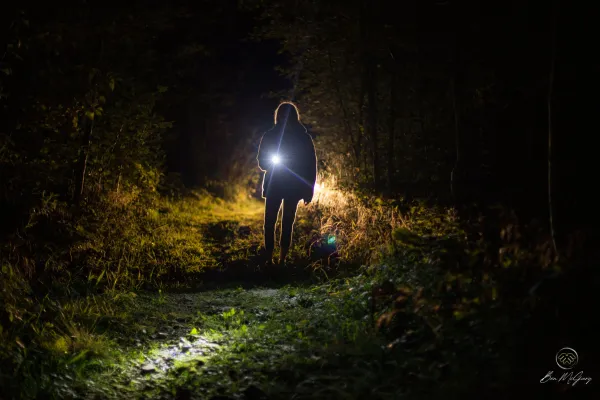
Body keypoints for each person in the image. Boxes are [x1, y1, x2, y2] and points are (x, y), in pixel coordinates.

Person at [257, 101, 317, 265]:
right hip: (275, 184)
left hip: (293, 186)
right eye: (282, 114)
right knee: (269, 222)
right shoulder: (270, 136)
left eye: (287, 115)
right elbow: (262, 162)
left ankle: (282, 260)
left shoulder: (303, 138)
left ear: (293, 116)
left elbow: (311, 165)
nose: (284, 118)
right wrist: (271, 163)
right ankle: (269, 259)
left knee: (287, 222)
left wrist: (309, 190)